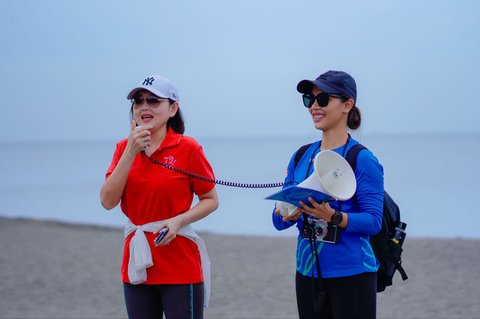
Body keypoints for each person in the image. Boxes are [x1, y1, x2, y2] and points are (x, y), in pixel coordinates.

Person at [100, 74, 219, 319]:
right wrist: (131, 152)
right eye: (138, 101)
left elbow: (210, 199)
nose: (144, 107)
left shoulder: (188, 148)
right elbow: (107, 201)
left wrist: (177, 221)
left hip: (180, 262)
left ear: (173, 108)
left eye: (154, 101)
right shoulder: (123, 148)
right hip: (137, 261)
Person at [272, 70, 384, 318]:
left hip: (353, 273)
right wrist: (288, 214)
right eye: (309, 100)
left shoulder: (362, 159)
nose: (314, 106)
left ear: (347, 104)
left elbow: (374, 222)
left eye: (323, 99)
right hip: (307, 272)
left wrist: (333, 217)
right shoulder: (301, 155)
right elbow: (277, 221)